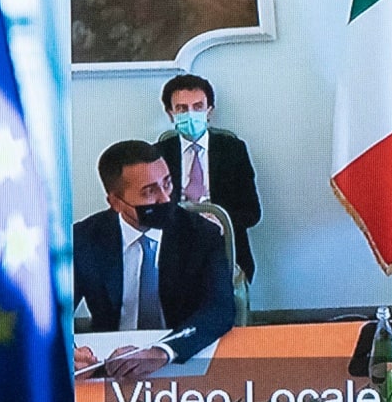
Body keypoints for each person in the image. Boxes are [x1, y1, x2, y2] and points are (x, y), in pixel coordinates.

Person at [70, 140, 235, 383]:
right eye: (149, 191)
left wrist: (162, 352)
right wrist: (69, 350)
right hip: (110, 362)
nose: (165, 198)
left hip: (181, 358)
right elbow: (51, 310)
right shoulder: (84, 239)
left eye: (167, 183)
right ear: (116, 202)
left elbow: (220, 309)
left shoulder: (201, 234)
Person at [152, 73, 261, 283]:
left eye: (198, 106)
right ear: (170, 114)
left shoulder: (232, 150)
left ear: (209, 111)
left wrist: (222, 221)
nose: (190, 114)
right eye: (182, 109)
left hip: (223, 244)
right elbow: (152, 211)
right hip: (175, 246)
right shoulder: (158, 154)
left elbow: (252, 213)